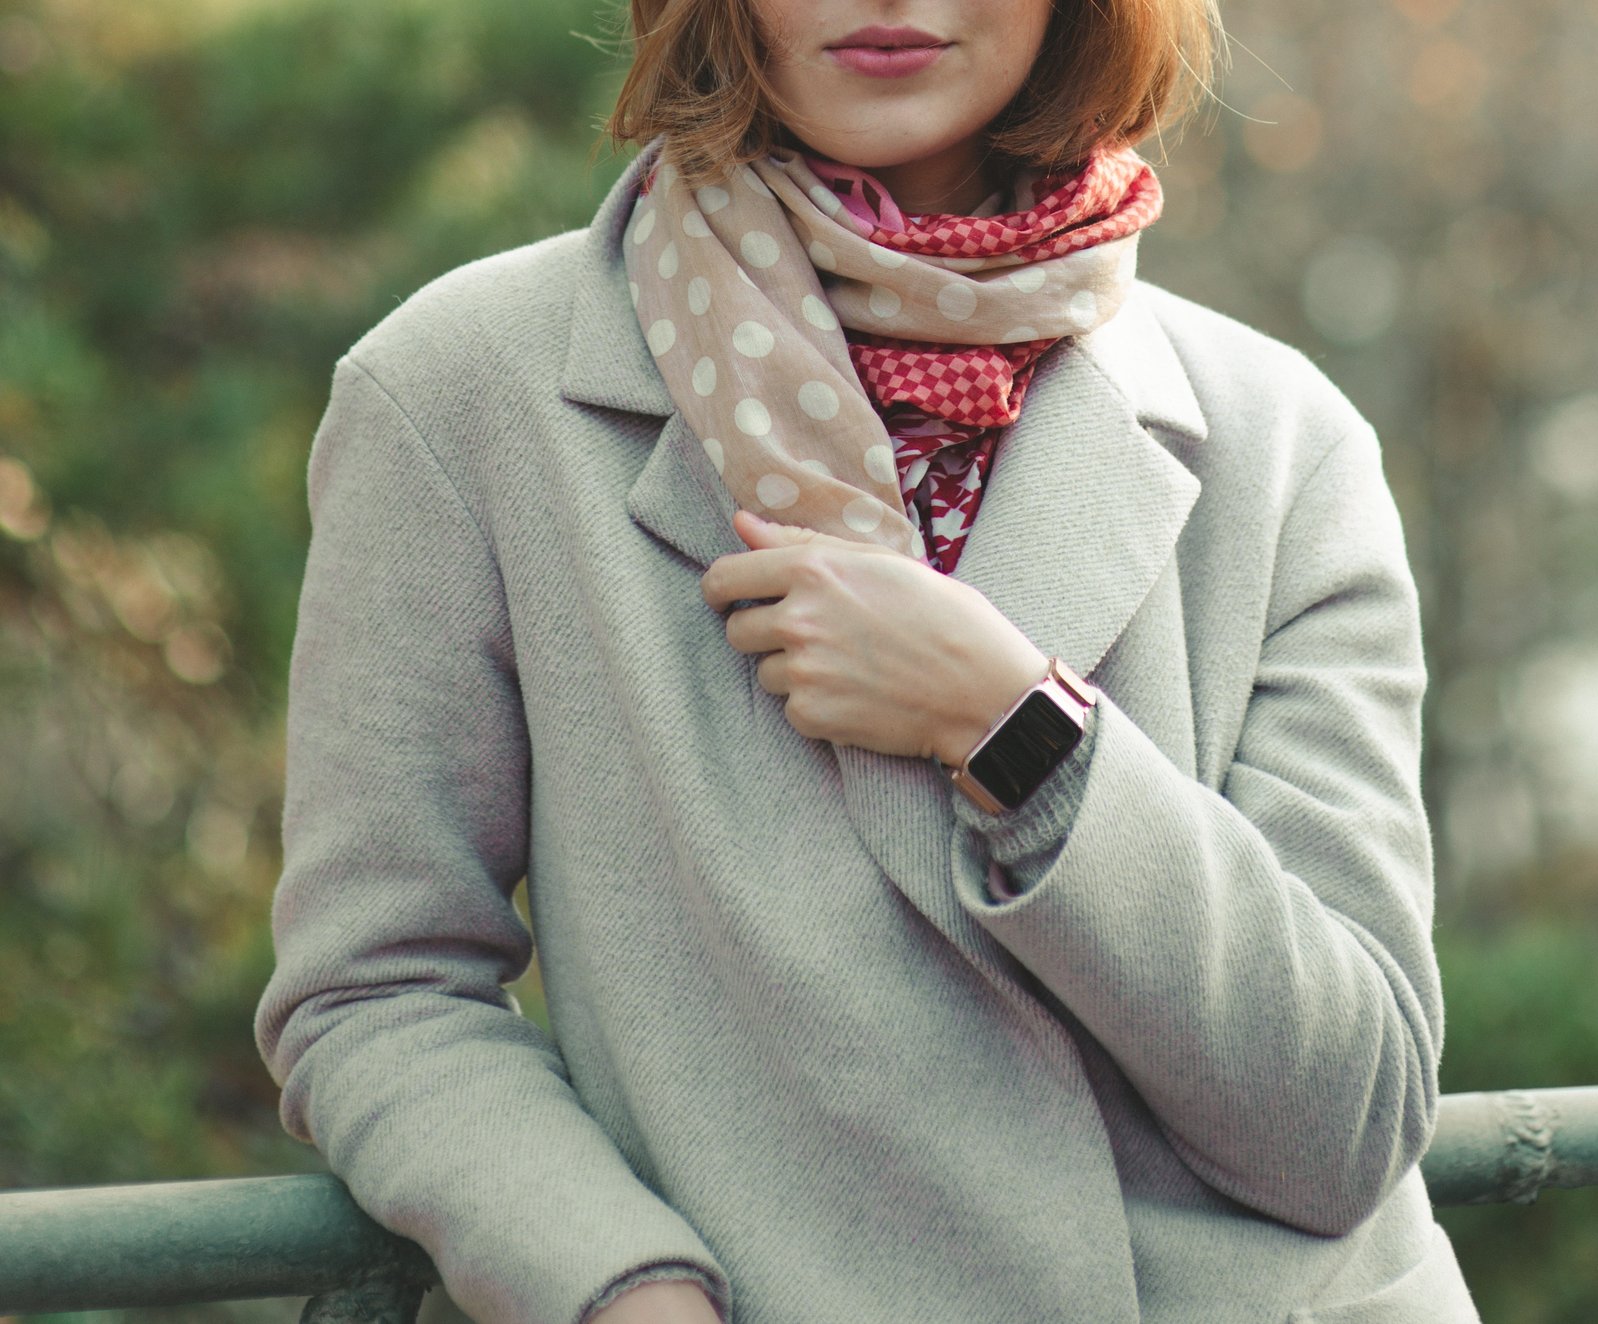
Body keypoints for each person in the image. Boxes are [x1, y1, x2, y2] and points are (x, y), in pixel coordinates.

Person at [252, 0, 1483, 1320]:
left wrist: (1020, 727)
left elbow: (1349, 1118)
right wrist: (616, 1282)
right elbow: (376, 990)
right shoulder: (462, 390)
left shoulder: (1281, 440)